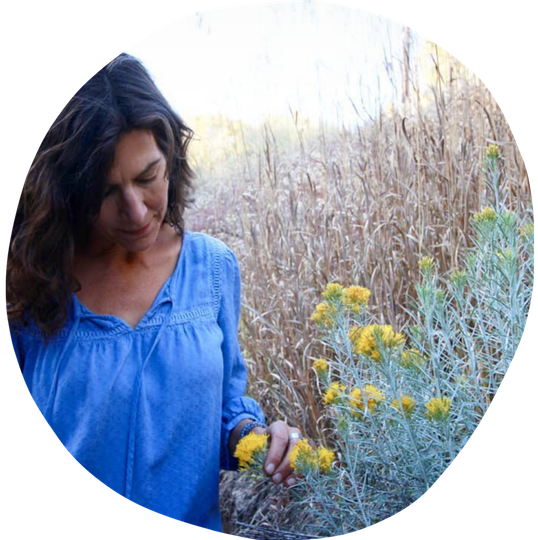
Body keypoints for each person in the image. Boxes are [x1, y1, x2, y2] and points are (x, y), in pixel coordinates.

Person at [6, 52, 302, 532]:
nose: (137, 211)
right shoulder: (32, 282)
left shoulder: (212, 269)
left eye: (148, 177)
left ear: (171, 155)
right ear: (70, 191)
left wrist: (259, 437)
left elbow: (225, 412)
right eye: (106, 192)